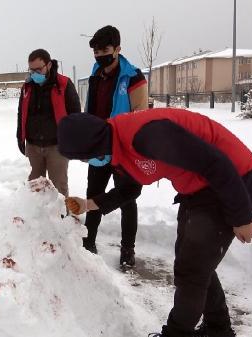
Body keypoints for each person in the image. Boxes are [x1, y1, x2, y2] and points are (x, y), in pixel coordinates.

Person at [57, 108, 252, 337]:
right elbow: (129, 189)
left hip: (232, 182)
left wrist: (243, 217)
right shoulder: (116, 146)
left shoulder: (147, 135)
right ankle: (218, 330)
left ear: (95, 145)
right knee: (193, 262)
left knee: (192, 269)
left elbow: (216, 163)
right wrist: (88, 204)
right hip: (198, 190)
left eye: (84, 157)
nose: (85, 162)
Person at [82, 25, 148, 267]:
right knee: (94, 197)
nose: (100, 56)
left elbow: (141, 116)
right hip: (99, 149)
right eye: (96, 52)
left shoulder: (133, 77)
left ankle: (127, 249)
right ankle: (88, 242)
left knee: (127, 200)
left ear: (118, 49)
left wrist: (132, 147)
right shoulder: (95, 75)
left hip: (124, 151)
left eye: (105, 50)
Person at [16, 49, 81, 198]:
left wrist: (73, 141)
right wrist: (20, 136)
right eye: (31, 70)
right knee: (34, 187)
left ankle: (62, 218)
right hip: (33, 145)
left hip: (57, 146)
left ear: (49, 65)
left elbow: (75, 115)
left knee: (59, 187)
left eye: (38, 69)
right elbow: (21, 113)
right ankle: (37, 218)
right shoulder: (27, 87)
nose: (34, 74)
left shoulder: (64, 84)